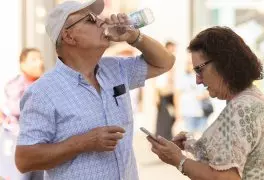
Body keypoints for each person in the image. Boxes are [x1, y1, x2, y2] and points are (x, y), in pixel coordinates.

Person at [15, 0, 175, 180]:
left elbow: (165, 63)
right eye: (90, 19)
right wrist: (83, 142)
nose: (101, 21)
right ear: (69, 36)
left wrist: (134, 37)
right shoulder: (42, 92)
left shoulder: (115, 68)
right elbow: (24, 159)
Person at [147, 26, 264, 180]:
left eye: (199, 70)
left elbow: (225, 177)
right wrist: (193, 145)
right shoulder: (254, 98)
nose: (197, 80)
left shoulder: (241, 108)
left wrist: (178, 160)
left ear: (222, 63)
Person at [0, 48, 44, 180]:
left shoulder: (45, 84)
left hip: (40, 143)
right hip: (17, 140)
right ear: (22, 64)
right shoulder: (16, 86)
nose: (40, 63)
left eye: (40, 58)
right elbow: (15, 108)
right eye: (34, 59)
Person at [176, 59, 212, 134]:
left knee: (200, 139)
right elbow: (177, 95)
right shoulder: (183, 77)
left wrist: (203, 96)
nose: (190, 66)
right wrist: (178, 113)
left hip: (201, 113)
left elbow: (209, 91)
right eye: (188, 63)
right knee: (187, 139)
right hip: (188, 114)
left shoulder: (202, 76)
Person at [155, 41, 177, 140]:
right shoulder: (161, 63)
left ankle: (166, 139)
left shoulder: (172, 64)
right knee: (163, 120)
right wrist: (156, 96)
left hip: (170, 96)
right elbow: (157, 83)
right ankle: (161, 139)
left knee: (170, 120)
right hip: (163, 95)